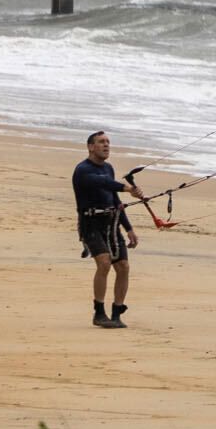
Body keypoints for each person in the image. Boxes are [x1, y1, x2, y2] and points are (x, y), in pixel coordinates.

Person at [73, 128, 134, 329]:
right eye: (101, 142)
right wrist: (126, 187)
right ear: (91, 147)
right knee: (104, 263)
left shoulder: (109, 168)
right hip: (90, 224)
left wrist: (129, 228)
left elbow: (115, 199)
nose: (106, 145)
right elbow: (101, 182)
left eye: (108, 142)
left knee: (123, 266)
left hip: (112, 223)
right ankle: (99, 313)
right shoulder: (83, 170)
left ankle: (117, 312)